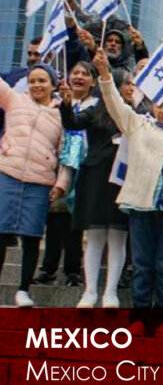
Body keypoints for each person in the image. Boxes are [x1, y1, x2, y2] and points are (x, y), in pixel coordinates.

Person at [93, 49, 163, 337]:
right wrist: (105, 74)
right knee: (142, 264)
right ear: (152, 107)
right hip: (142, 206)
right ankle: (140, 316)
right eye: (159, 105)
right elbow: (115, 104)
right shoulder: (138, 125)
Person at [59, 69, 132, 309]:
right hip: (96, 178)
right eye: (127, 83)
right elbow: (72, 123)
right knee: (95, 236)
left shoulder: (135, 113)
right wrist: (67, 105)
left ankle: (110, 292)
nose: (131, 87)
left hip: (122, 179)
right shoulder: (96, 110)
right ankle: (90, 291)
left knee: (118, 237)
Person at [0, 63, 66, 307]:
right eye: (33, 80)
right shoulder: (14, 101)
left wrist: (62, 183)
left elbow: (65, 153)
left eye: (42, 80)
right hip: (8, 173)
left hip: (40, 181)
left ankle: (23, 290)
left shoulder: (62, 113)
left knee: (31, 237)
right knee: (1, 233)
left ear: (53, 84)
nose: (37, 85)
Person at [34, 62, 97, 287]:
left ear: (93, 81)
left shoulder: (96, 106)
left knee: (74, 223)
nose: (79, 77)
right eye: (76, 73)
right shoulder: (56, 104)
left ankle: (72, 270)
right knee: (55, 220)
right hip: (56, 165)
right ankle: (48, 268)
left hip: (85, 169)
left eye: (85, 74)